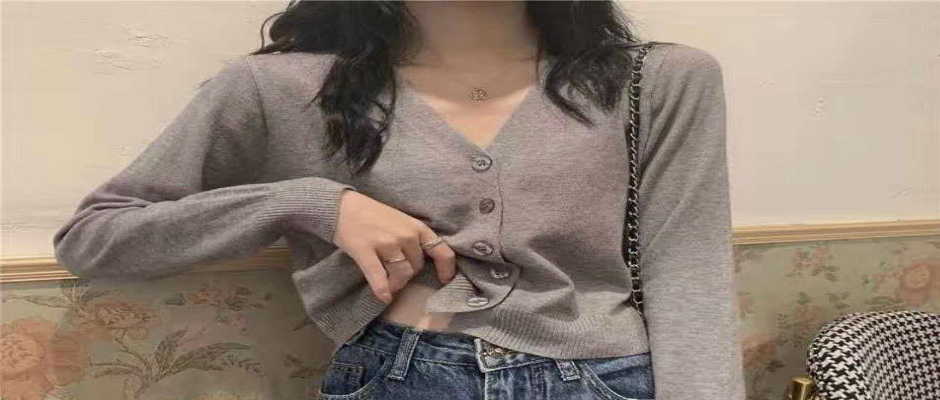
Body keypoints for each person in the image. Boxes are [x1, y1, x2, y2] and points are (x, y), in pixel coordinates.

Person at [52, 1, 745, 399]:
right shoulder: (280, 89)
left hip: (607, 380)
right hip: (401, 376)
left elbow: (690, 274)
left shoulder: (658, 80)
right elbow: (98, 238)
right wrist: (310, 203)